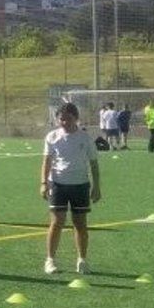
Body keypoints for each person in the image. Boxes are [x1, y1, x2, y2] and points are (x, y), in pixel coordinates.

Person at [41, 102, 102, 275]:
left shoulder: (85, 138)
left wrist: (96, 186)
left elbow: (94, 163)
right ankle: (50, 260)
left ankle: (82, 260)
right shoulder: (52, 137)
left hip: (80, 185)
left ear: (76, 118)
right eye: (62, 119)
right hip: (58, 184)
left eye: (68, 119)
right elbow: (46, 161)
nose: (65, 122)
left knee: (80, 224)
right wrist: (44, 183)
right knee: (57, 222)